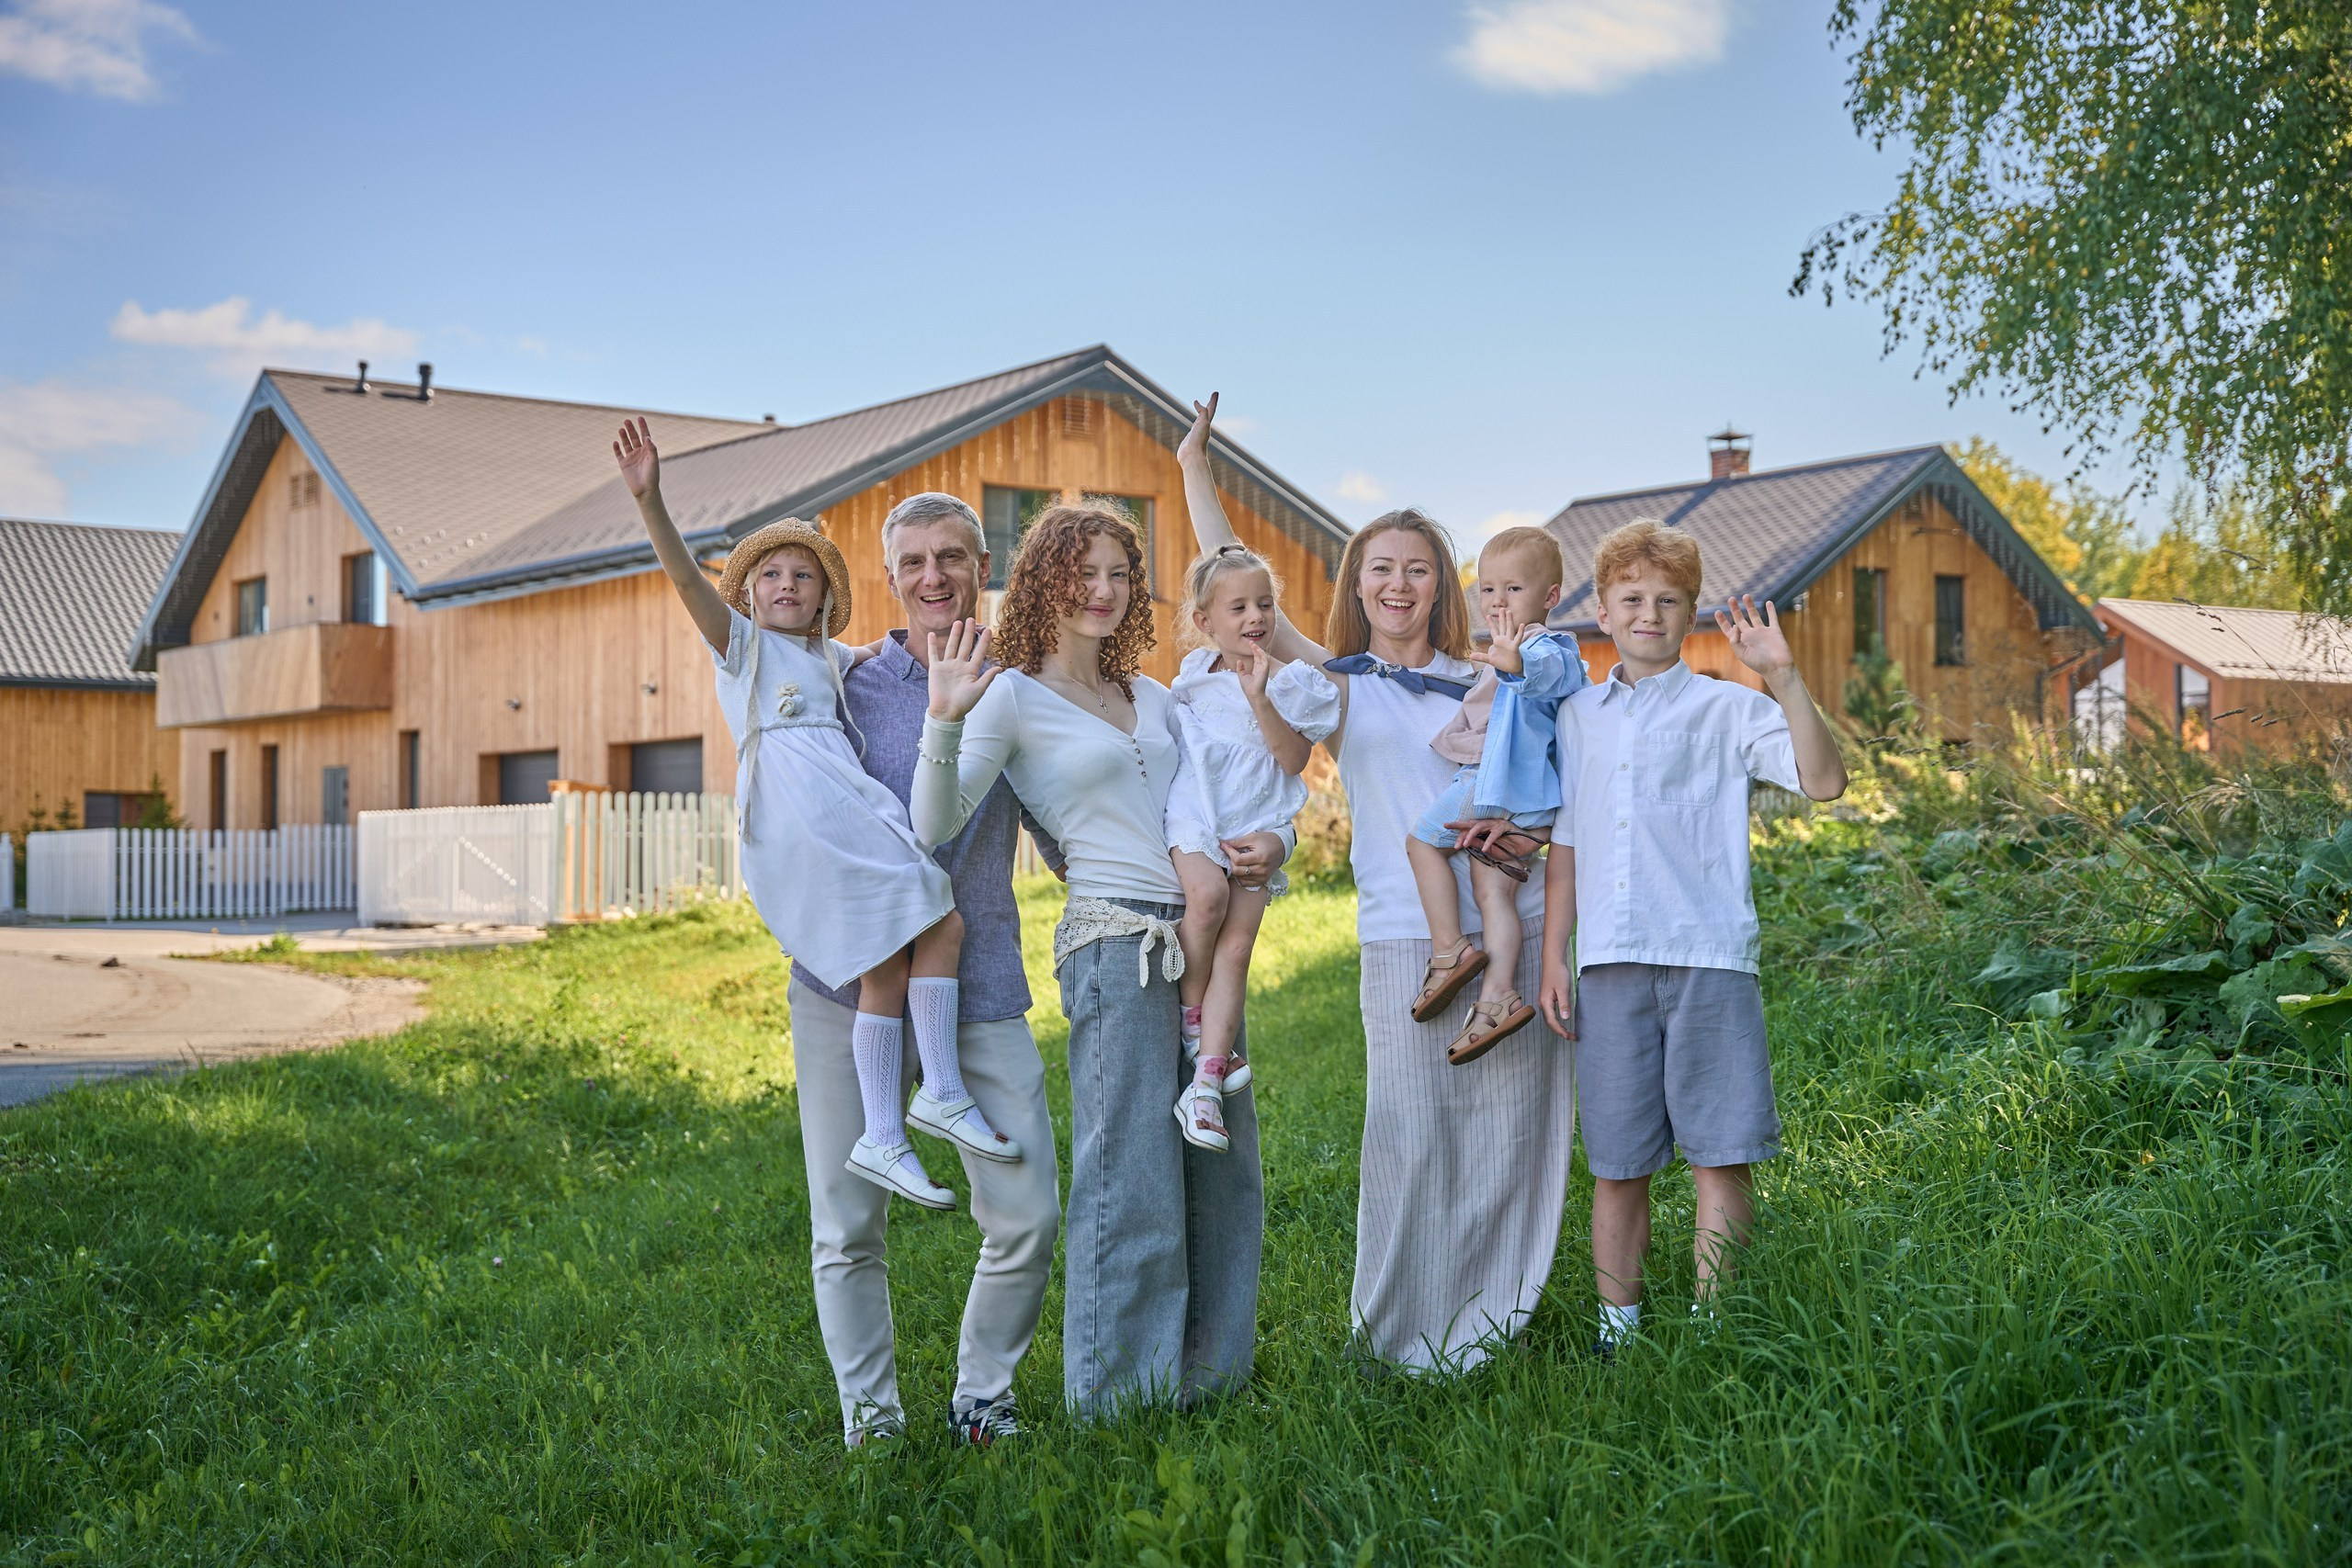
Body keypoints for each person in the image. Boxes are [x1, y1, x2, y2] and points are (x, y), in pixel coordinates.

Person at [1175, 394, 1577, 1373]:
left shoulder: (1497, 673)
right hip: (1406, 932)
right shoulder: (1338, 678)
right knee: (1409, 1137)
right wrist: (1194, 466)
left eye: (1417, 568)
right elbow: (1236, 586)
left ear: (1445, 582)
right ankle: (1398, 1335)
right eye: (1379, 569)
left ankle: (1493, 1324)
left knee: (1511, 1137)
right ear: (1357, 584)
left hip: (1515, 925)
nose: (1398, 584)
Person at [912, 504, 1287, 1416]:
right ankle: (1120, 1399)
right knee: (1134, 1178)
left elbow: (1229, 790)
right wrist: (943, 719)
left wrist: (1270, 847)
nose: (1105, 591)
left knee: (1222, 1174)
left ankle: (1208, 1378)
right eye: (1085, 572)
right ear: (1045, 581)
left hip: (1201, 946)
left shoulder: (1157, 697)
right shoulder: (1009, 695)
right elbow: (934, 825)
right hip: (1116, 944)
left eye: (1121, 572)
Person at [615, 422, 1016, 1224]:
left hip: (851, 814)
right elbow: (692, 587)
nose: (786, 585)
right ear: (750, 594)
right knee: (923, 919)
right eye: (770, 575)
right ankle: (920, 1101)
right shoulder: (747, 651)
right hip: (808, 817)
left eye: (802, 574)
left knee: (928, 932)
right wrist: (651, 501)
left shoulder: (839, 660)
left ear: (828, 594)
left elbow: (887, 651)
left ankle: (901, 1119)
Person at [780, 491, 1065, 1450]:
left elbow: (1069, 827)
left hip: (975, 985)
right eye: (913, 562)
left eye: (952, 556)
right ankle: (874, 1422)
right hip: (844, 988)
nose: (934, 576)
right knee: (845, 1226)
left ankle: (982, 1396)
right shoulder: (848, 686)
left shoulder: (1019, 686)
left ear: (980, 567)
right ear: (890, 576)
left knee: (1025, 1211)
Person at [1535, 520, 1848, 1357]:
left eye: (1667, 599)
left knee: (1721, 1152)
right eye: (1631, 598)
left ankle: (1717, 1328)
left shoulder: (1729, 707)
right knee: (1617, 1160)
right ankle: (1619, 1332)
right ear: (1601, 610)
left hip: (1710, 958)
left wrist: (1783, 678)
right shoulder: (1576, 718)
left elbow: (1825, 780)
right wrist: (1552, 954)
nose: (1649, 612)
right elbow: (1565, 844)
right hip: (1608, 962)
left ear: (1691, 612)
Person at [1164, 543, 1341, 1150]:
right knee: (1206, 900)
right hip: (1197, 814)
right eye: (1237, 606)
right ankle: (1195, 1024)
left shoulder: (1290, 684)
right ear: (1206, 621)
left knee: (1236, 948)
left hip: (1256, 821)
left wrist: (1261, 694)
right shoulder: (1192, 675)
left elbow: (1294, 759)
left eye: (1263, 603)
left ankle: (1207, 1081)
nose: (1254, 616)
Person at [1403, 527, 1589, 1065]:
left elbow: (1551, 676)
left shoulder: (1546, 648)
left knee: (1421, 844)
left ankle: (1450, 950)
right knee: (1492, 891)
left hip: (1494, 787)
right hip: (1520, 801)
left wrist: (1517, 664)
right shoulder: (1506, 649)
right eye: (1487, 590)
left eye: (1513, 590)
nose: (1498, 602)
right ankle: (1499, 996)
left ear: (1550, 597)